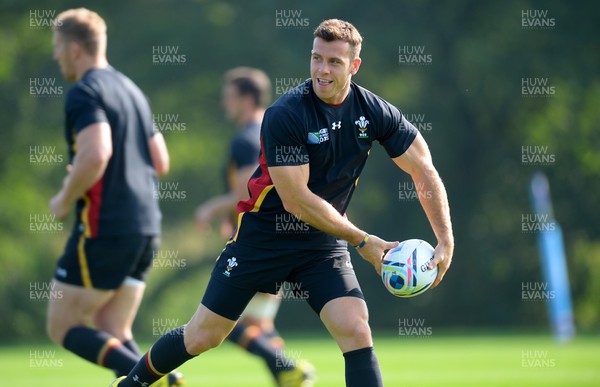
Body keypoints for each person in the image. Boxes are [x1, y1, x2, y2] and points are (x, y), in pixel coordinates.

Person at [111, 18, 454, 387]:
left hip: (321, 244)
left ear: (354, 66)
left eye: (334, 62)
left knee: (355, 330)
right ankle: (131, 383)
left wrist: (446, 239)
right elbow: (297, 200)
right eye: (316, 58)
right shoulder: (286, 113)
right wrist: (364, 241)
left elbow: (423, 169)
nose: (322, 69)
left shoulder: (373, 112)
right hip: (263, 238)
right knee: (203, 336)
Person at [46, 8, 183, 386]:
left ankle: (167, 381)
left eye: (58, 47)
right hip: (146, 228)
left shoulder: (85, 91)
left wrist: (64, 197)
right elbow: (161, 160)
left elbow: (97, 153)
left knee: (62, 324)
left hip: (105, 227)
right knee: (112, 327)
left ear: (75, 49)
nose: (56, 56)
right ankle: (154, 378)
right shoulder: (131, 90)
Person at [195, 67, 315, 386]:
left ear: (246, 98)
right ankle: (289, 375)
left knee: (222, 319)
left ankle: (288, 368)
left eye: (229, 97)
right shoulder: (275, 128)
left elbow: (248, 189)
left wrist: (211, 208)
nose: (224, 104)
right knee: (257, 324)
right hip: (284, 237)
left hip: (256, 243)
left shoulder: (247, 137)